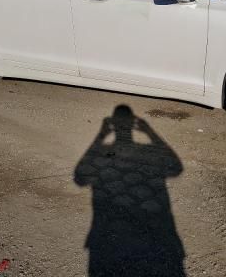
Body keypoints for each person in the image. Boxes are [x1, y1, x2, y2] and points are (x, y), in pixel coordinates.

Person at [74, 105, 185, 276]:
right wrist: (149, 132)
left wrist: (101, 134)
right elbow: (176, 168)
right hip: (153, 237)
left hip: (107, 238)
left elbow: (80, 178)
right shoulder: (146, 152)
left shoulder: (105, 152)